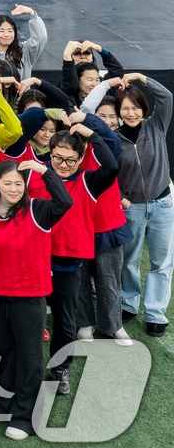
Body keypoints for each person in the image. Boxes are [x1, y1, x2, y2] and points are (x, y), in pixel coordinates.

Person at [0, 159, 71, 441]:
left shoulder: (38, 210)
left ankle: (26, 417)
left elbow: (65, 202)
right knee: (4, 352)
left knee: (30, 358)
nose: (13, 188)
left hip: (29, 297)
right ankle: (1, 403)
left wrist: (45, 172)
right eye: (7, 183)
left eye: (18, 184)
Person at [85, 73, 173, 337]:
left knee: (160, 262)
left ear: (143, 108)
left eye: (135, 107)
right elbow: (111, 173)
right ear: (119, 113)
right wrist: (122, 195)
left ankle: (156, 313)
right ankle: (128, 303)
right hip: (130, 207)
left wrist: (141, 78)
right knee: (129, 260)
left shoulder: (155, 125)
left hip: (162, 204)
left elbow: (167, 97)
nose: (131, 113)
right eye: (125, 109)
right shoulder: (114, 139)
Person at [44, 116, 119, 394]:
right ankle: (22, 371)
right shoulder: (37, 176)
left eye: (70, 160)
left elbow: (111, 165)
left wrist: (92, 134)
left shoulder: (89, 181)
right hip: (37, 262)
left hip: (69, 265)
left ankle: (60, 370)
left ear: (81, 157)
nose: (63, 165)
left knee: (65, 323)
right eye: (57, 158)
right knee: (30, 322)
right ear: (49, 154)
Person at [0, 9, 47, 81]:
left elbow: (41, 38)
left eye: (10, 31)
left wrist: (32, 14)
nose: (6, 35)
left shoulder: (23, 50)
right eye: (1, 31)